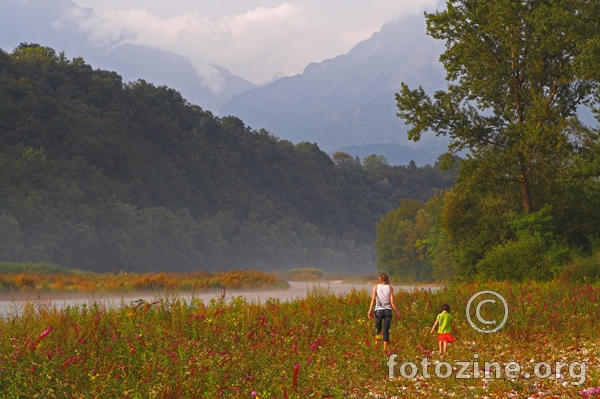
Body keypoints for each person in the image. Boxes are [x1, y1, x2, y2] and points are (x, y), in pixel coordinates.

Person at [368, 273, 400, 351]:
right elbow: (392, 301)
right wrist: (397, 312)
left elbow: (373, 299)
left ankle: (376, 345)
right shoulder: (390, 288)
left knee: (377, 328)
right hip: (388, 310)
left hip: (378, 310)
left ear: (380, 279)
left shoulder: (376, 287)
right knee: (386, 329)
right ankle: (385, 348)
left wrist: (369, 311)